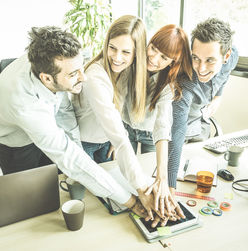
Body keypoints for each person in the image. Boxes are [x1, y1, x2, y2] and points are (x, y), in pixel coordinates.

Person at [0, 26, 146, 216]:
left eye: (81, 67)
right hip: (15, 145)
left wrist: (80, 151)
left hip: (46, 126)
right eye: (73, 74)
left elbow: (64, 112)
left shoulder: (51, 62)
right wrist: (131, 202)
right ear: (46, 79)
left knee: (52, 190)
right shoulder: (23, 102)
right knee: (28, 201)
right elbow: (68, 156)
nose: (84, 77)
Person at [72, 16, 155, 218]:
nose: (117, 57)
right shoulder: (95, 76)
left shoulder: (127, 71)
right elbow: (118, 135)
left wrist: (112, 137)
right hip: (85, 143)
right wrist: (143, 190)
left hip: (105, 142)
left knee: (109, 200)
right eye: (112, 48)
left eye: (126, 52)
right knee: (90, 202)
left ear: (137, 53)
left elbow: (117, 110)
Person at [120, 24, 192, 225]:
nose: (154, 58)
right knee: (129, 177)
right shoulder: (130, 63)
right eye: (153, 49)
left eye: (164, 58)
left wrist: (163, 177)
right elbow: (116, 101)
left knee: (152, 180)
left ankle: (158, 205)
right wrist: (114, 137)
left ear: (173, 61)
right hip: (125, 129)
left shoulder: (168, 84)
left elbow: (162, 125)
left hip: (150, 135)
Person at [168, 18, 239, 191]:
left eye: (210, 60)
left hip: (202, 122)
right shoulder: (186, 78)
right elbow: (177, 130)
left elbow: (225, 74)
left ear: (226, 56)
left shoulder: (232, 57)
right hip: (179, 122)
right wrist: (170, 187)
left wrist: (218, 97)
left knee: (203, 169)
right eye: (196, 58)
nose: (200, 68)